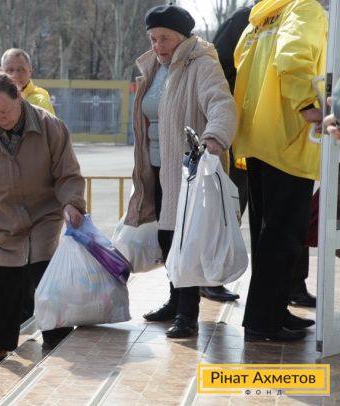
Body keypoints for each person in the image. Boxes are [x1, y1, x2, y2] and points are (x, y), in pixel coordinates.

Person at [0, 71, 85, 370]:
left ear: (19, 98)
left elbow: (67, 172)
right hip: (4, 217)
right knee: (3, 283)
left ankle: (57, 336)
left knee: (46, 276)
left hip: (45, 214)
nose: (0, 118)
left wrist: (72, 203)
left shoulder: (49, 125)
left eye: (6, 111)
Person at [125, 5, 237, 338]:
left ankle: (187, 314)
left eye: (165, 38)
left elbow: (221, 103)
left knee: (185, 240)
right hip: (156, 167)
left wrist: (214, 137)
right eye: (153, 38)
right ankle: (175, 301)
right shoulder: (153, 66)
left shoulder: (201, 64)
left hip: (188, 169)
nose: (158, 45)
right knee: (166, 237)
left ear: (183, 37)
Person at [233, 0, 327, 341]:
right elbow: (292, 56)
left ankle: (273, 311)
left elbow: (240, 62)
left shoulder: (260, 18)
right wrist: (308, 105)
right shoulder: (304, 9)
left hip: (259, 137)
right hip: (288, 138)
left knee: (268, 234)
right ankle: (264, 322)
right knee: (284, 235)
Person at [196, 6, 254, 303]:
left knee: (269, 221)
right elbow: (217, 69)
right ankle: (210, 278)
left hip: (266, 137)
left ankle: (292, 285)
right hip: (235, 135)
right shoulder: (245, 19)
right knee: (225, 211)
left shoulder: (291, 16)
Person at [1, 48, 55, 115]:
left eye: (21, 70)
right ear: (1, 72)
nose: (15, 75)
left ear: (30, 70)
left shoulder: (39, 101)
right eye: (10, 70)